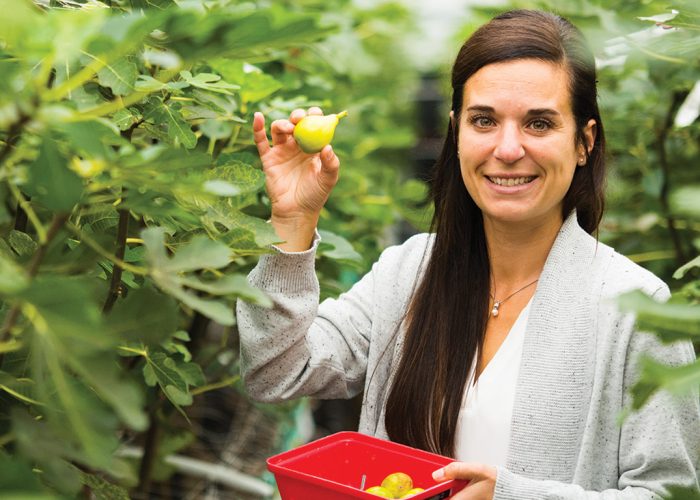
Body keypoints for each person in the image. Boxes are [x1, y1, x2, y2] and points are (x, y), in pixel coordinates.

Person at [237, 9, 699, 499]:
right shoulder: (408, 272)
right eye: (484, 120)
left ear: (584, 142)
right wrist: (292, 223)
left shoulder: (637, 307)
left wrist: (511, 495)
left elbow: (670, 492)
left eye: (539, 124)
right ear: (456, 132)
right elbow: (276, 373)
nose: (506, 148)